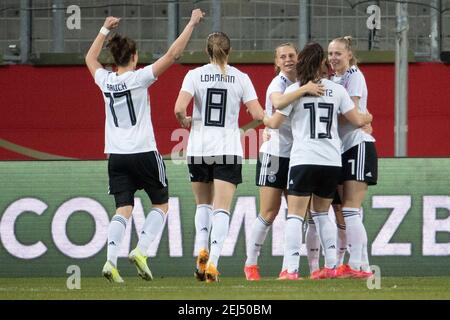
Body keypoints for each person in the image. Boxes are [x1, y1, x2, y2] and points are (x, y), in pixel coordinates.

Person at [85, 9, 205, 283]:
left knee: (122, 209)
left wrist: (104, 29)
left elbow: (90, 58)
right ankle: (140, 250)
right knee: (161, 205)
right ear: (135, 57)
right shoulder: (139, 78)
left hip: (116, 155)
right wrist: (191, 23)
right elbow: (173, 55)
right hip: (144, 152)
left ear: (114, 60)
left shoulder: (105, 80)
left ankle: (110, 262)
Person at [263, 42, 372, 280]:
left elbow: (274, 119)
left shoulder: (295, 89)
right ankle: (331, 266)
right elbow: (355, 119)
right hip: (332, 161)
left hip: (303, 158)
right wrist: (368, 116)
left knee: (295, 214)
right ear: (322, 62)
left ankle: (290, 269)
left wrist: (264, 122)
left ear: (303, 63)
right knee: (323, 214)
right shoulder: (337, 90)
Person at [174, 31, 265, 283]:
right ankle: (213, 262)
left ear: (207, 51)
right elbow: (258, 113)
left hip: (199, 149)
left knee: (202, 205)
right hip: (227, 148)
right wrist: (244, 128)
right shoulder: (240, 78)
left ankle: (201, 251)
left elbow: (179, 108)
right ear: (230, 50)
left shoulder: (194, 75)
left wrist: (186, 121)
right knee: (221, 208)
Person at [243, 43, 324, 281]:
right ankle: (251, 264)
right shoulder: (278, 83)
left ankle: (302, 267)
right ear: (276, 63)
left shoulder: (305, 81)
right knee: (269, 212)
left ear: (298, 59)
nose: (288, 59)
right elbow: (278, 105)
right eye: (283, 57)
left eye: (291, 55)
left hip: (299, 155)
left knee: (301, 213)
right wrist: (303, 90)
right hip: (275, 154)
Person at [327, 36, 377, 278]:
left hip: (357, 145)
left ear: (348, 55)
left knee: (350, 208)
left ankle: (356, 265)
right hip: (342, 148)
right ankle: (361, 264)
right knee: (344, 210)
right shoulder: (332, 79)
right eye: (330, 54)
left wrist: (364, 119)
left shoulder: (353, 75)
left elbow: (352, 113)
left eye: (338, 53)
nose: (333, 58)